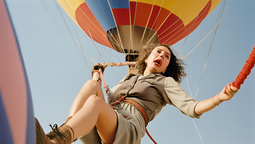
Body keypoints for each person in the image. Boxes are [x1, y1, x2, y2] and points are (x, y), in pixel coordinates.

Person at [35, 44, 238, 144]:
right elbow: (106, 98)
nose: (162, 56)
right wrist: (97, 75)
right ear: (148, 57)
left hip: (127, 130)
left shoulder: (165, 82)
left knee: (95, 102)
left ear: (168, 66)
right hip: (105, 124)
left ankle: (57, 142)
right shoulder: (129, 80)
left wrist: (219, 98)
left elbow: (192, 107)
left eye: (167, 56)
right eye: (158, 52)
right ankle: (58, 136)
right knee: (91, 87)